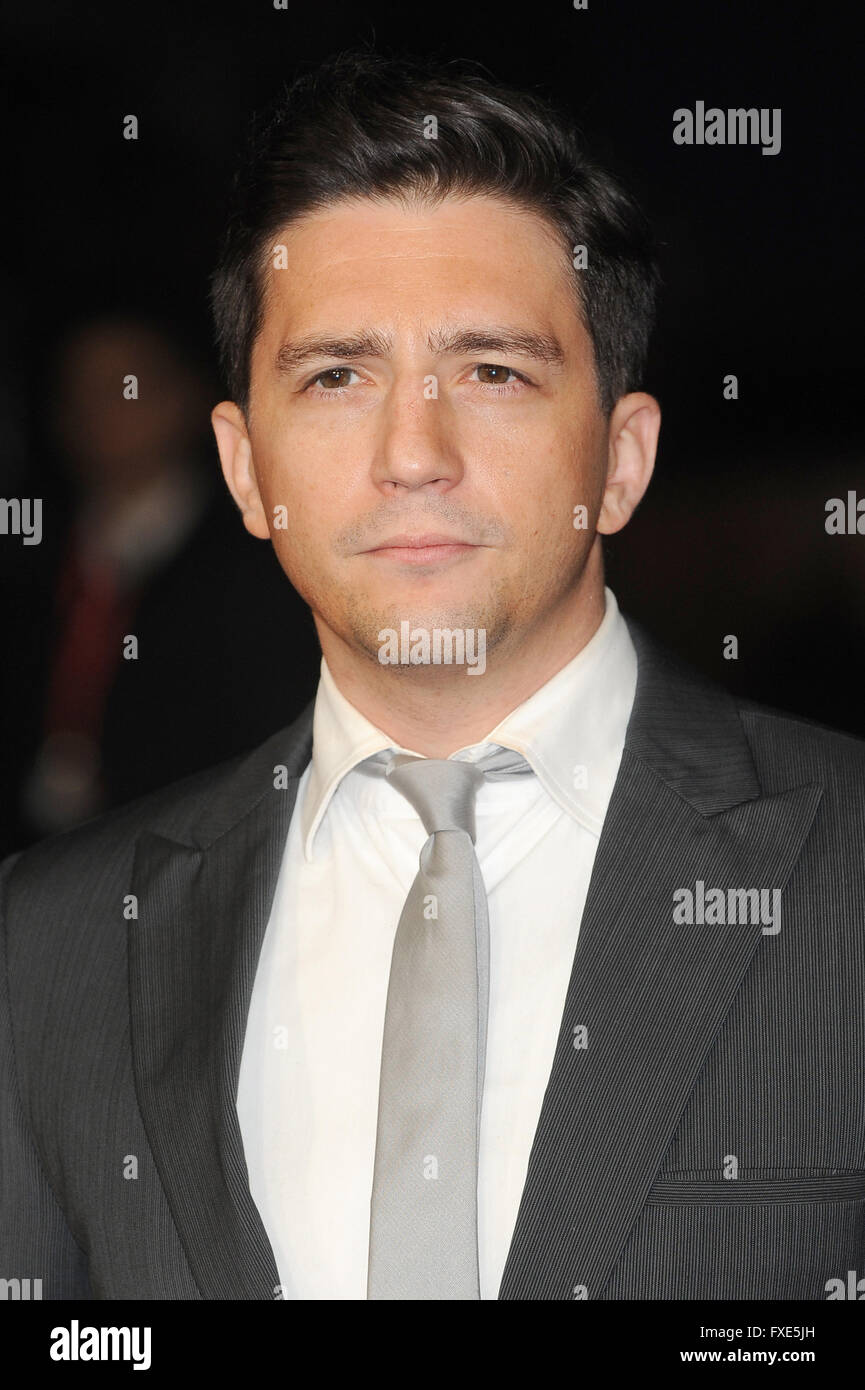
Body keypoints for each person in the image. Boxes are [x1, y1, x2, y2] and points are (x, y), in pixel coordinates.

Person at [1, 48, 863, 1303]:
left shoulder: (841, 870)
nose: (414, 452)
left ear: (620, 460)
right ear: (245, 470)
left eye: (493, 372)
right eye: (338, 375)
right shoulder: (48, 951)